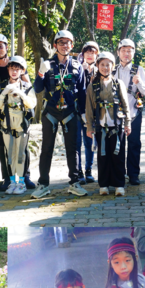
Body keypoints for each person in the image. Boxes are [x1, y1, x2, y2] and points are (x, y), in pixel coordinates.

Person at [32, 30, 87, 198]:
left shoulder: (78, 65)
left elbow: (83, 92)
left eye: (68, 42)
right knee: (47, 148)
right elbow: (38, 89)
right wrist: (41, 73)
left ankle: (74, 182)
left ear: (72, 45)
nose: (65, 45)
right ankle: (43, 183)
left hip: (71, 111)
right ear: (55, 45)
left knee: (73, 148)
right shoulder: (47, 64)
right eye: (61, 42)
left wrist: (84, 114)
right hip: (51, 112)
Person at [0, 33, 34, 191]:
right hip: (1, 110)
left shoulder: (16, 63)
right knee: (4, 145)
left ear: (6, 47)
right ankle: (8, 178)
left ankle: (25, 177)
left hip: (20, 108)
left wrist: (22, 94)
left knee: (22, 146)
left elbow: (27, 85)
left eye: (1, 46)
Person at [84, 51, 132, 196]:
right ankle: (103, 184)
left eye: (108, 65)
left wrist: (127, 123)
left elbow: (125, 104)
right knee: (102, 155)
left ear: (113, 66)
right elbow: (89, 108)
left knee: (118, 154)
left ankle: (119, 184)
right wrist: (89, 127)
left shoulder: (118, 84)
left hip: (117, 125)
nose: (105, 67)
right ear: (97, 66)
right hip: (100, 126)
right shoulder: (93, 86)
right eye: (102, 64)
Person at [0, 55, 37, 195]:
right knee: (9, 155)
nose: (14, 71)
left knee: (20, 155)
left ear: (22, 71)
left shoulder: (27, 87)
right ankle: (12, 182)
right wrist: (4, 92)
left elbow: (32, 104)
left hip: (22, 127)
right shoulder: (1, 86)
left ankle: (21, 182)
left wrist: (22, 95)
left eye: (18, 69)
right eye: (12, 68)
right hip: (7, 126)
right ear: (8, 70)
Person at [115, 39, 145, 184]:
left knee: (134, 143)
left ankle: (133, 174)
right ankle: (119, 173)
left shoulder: (139, 70)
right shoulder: (113, 69)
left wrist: (139, 83)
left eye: (129, 50)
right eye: (123, 50)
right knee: (119, 144)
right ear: (118, 52)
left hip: (134, 113)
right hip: (116, 115)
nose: (126, 53)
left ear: (133, 52)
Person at [75, 40, 101, 185]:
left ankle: (89, 170)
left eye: (93, 52)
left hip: (93, 113)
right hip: (78, 111)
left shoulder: (100, 70)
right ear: (83, 54)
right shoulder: (77, 68)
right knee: (77, 143)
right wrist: (83, 72)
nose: (90, 55)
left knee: (90, 142)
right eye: (87, 52)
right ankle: (78, 172)